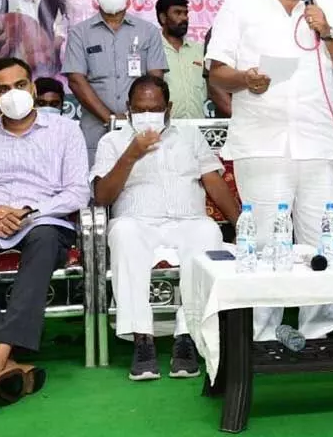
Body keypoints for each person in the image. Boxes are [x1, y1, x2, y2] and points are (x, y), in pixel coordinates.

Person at [207, 0, 333, 340]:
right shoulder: (240, 6)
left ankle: (318, 334)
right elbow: (216, 72)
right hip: (262, 143)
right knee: (265, 246)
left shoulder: (327, 7)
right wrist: (246, 80)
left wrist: (327, 33)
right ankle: (260, 339)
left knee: (321, 242)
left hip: (317, 143)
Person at [0, 58, 90, 404]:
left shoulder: (66, 130)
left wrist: (29, 212)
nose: (13, 94)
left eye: (20, 85)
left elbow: (77, 192)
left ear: (34, 89)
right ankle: (8, 360)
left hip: (43, 218)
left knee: (42, 241)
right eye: (3, 89)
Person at [92, 76, 238, 380]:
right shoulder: (112, 141)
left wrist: (241, 223)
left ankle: (185, 337)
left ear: (168, 108)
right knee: (122, 234)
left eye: (155, 108)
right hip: (138, 222)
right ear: (128, 109)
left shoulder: (189, 136)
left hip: (187, 222)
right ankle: (142, 339)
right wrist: (131, 155)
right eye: (140, 109)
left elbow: (213, 181)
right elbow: (102, 196)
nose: (148, 115)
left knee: (209, 231)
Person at [63, 0, 168, 162]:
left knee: (142, 184)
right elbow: (76, 80)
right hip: (96, 130)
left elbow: (156, 81)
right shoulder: (79, 33)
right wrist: (111, 119)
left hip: (141, 128)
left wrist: (135, 119)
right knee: (99, 188)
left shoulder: (148, 31)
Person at [203, 0, 268, 119]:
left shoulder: (277, 24)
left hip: (273, 123)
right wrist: (241, 118)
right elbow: (215, 85)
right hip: (239, 123)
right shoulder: (223, 27)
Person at [157, 0, 204, 119]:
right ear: (163, 18)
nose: (184, 18)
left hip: (198, 128)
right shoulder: (153, 50)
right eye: (177, 13)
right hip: (166, 129)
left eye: (186, 13)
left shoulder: (199, 50)